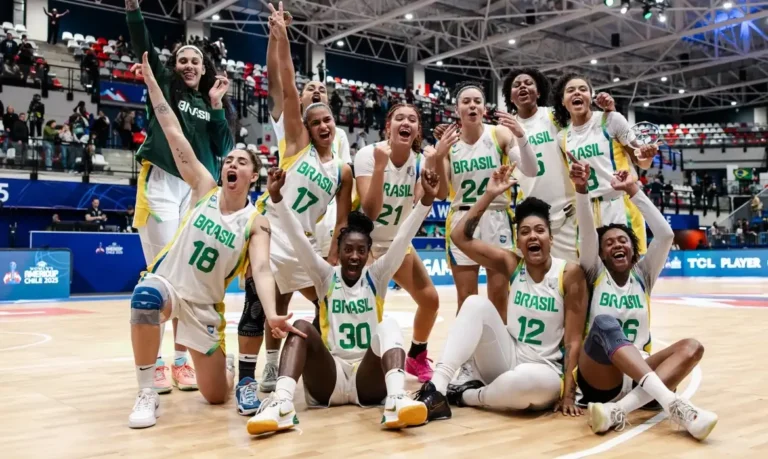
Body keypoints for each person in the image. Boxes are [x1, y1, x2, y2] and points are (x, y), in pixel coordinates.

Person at [127, 50, 295, 429]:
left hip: (204, 309)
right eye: (229, 160)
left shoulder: (256, 222)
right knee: (145, 296)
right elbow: (172, 131)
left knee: (216, 396)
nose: (232, 164)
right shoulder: (204, 186)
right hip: (170, 287)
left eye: (241, 162)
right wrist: (154, 84)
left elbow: (264, 270)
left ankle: (230, 370)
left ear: (254, 176)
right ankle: (146, 393)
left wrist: (272, 315)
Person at [246, 165, 439, 435]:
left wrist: (427, 200)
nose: (355, 256)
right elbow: (298, 239)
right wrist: (277, 198)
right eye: (348, 249)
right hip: (330, 376)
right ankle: (282, 404)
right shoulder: (325, 276)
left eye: (361, 250)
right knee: (301, 326)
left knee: (389, 326)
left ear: (369, 253)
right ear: (339, 250)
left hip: (367, 379)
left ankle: (396, 401)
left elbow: (403, 237)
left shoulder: (378, 275)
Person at [238, 3, 352, 401]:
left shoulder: (343, 168)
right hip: (271, 228)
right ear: (305, 125)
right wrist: (282, 36)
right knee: (262, 304)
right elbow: (285, 84)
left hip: (304, 240)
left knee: (328, 300)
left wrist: (335, 252)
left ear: (334, 124)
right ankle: (255, 374)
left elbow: (343, 215)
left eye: (328, 121)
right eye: (315, 121)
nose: (322, 125)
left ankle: (330, 362)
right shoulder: (296, 143)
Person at [415, 164, 587, 421]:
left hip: (545, 371)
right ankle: (437, 389)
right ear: (518, 242)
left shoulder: (569, 273)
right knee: (474, 303)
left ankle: (465, 396)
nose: (533, 237)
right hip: (509, 357)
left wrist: (569, 395)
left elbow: (574, 340)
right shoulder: (512, 264)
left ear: (551, 238)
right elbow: (459, 237)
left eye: (540, 231)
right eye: (525, 232)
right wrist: (489, 195)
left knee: (525, 384)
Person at [125, 0, 235, 393]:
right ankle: (154, 365)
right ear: (174, 67)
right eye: (183, 60)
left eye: (195, 61)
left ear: (204, 68)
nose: (189, 65)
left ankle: (180, 360)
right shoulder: (168, 88)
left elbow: (225, 146)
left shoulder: (210, 102)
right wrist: (135, 10)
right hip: (161, 184)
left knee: (188, 275)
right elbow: (143, 45)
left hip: (198, 192)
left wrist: (219, 105)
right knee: (162, 271)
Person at [569, 157, 717, 440]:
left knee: (692, 347)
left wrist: (633, 190)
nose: (616, 244)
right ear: (600, 254)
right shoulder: (594, 272)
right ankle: (675, 406)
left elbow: (665, 234)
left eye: (622, 240)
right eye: (609, 243)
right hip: (602, 376)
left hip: (641, 376)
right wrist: (581, 189)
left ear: (633, 249)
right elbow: (587, 232)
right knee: (603, 323)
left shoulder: (644, 275)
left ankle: (620, 410)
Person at [354, 104, 440, 382]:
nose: (406, 122)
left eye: (412, 119)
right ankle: (360, 364)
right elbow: (370, 212)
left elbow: (421, 201)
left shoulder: (418, 161)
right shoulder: (369, 154)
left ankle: (416, 355)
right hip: (365, 245)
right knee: (367, 310)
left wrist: (438, 161)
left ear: (417, 130)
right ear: (388, 125)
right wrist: (380, 168)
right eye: (400, 118)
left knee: (430, 300)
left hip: (397, 244)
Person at [432, 82, 533, 315]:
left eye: (477, 101)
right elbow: (441, 194)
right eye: (466, 102)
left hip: (497, 216)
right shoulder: (448, 144)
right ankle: (469, 352)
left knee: (499, 296)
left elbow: (527, 166)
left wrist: (520, 138)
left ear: (484, 109)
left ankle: (500, 351)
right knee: (467, 299)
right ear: (457, 110)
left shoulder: (499, 133)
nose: (472, 106)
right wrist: (438, 156)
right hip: (462, 218)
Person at [552, 73, 657, 256]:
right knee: (591, 273)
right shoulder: (562, 137)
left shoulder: (612, 120)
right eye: (570, 90)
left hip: (619, 204)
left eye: (583, 89)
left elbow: (642, 161)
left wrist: (648, 156)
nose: (577, 93)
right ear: (563, 101)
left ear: (590, 97)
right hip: (586, 210)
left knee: (629, 271)